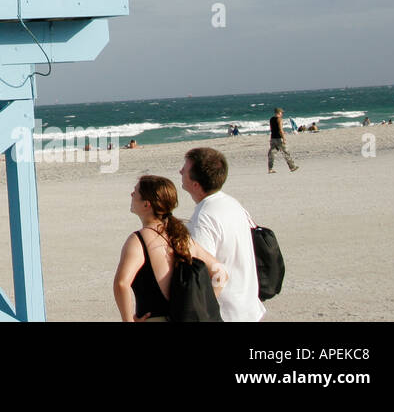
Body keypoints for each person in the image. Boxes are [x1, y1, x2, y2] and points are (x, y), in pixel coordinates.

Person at [113, 175, 226, 321]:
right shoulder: (182, 238)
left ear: (147, 204)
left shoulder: (139, 240)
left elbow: (121, 284)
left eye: (136, 191)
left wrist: (127, 320)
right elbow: (221, 275)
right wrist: (198, 304)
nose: (131, 194)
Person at [180, 147, 265, 321]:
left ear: (196, 184)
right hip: (248, 308)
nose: (180, 171)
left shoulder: (204, 217)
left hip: (227, 314)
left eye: (185, 169)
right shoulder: (231, 203)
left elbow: (206, 272)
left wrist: (201, 309)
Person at [268, 108, 299, 173]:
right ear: (279, 113)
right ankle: (292, 167)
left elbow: (271, 129)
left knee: (272, 154)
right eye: (281, 113)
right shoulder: (279, 119)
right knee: (285, 153)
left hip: (273, 138)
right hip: (279, 138)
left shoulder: (271, 119)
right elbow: (280, 130)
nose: (282, 114)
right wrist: (284, 138)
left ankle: (270, 168)